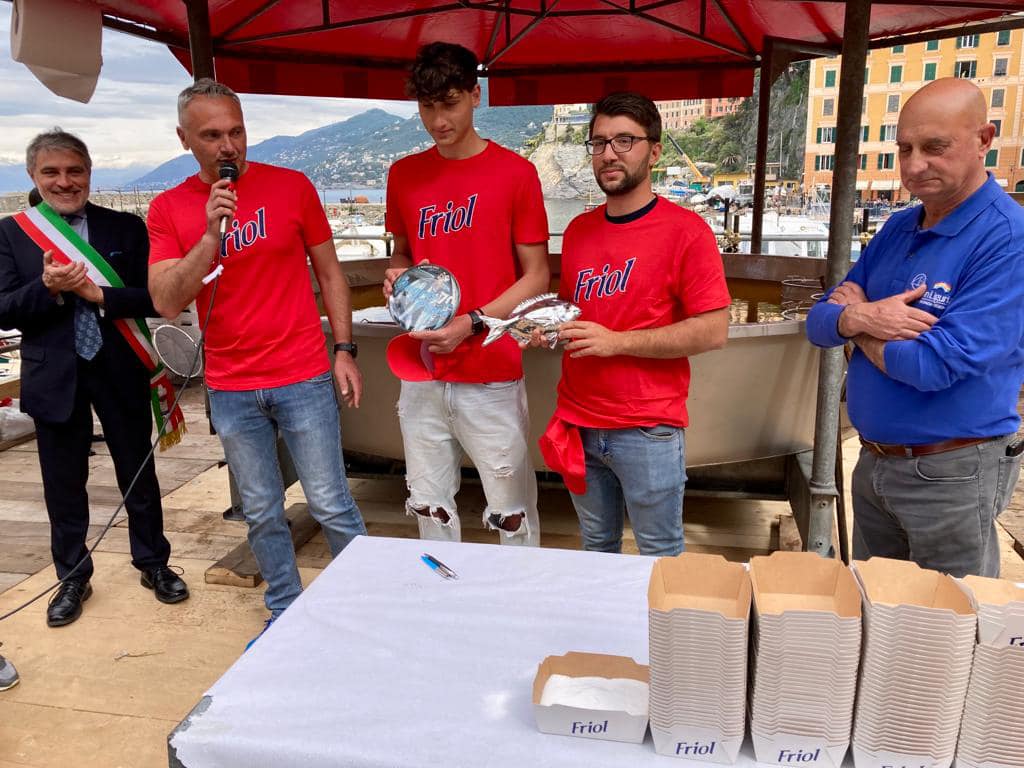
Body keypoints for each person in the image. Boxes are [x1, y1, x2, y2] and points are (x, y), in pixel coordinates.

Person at [147, 80, 367, 639]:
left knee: (331, 503)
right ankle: (286, 611)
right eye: (212, 135)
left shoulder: (292, 187)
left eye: (237, 131)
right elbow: (167, 299)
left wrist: (344, 349)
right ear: (184, 139)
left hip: (303, 375)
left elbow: (331, 276)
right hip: (232, 385)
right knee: (263, 512)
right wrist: (210, 232)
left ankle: (367, 604)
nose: (229, 146)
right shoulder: (169, 207)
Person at [806, 78, 1024, 578]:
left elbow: (932, 365)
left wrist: (857, 325)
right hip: (874, 463)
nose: (913, 165)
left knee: (948, 625)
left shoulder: (1007, 239)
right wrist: (861, 316)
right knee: (878, 616)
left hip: (953, 472)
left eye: (934, 148)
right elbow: (819, 323)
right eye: (904, 148)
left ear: (983, 140)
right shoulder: (898, 227)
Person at [0, 129, 188, 627]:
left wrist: (98, 295)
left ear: (88, 173)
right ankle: (72, 576)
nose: (64, 181)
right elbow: (3, 310)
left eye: (74, 171)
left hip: (120, 366)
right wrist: (47, 288)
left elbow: (156, 297)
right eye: (52, 173)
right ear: (33, 177)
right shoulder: (11, 232)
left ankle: (154, 563)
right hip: (53, 374)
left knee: (138, 471)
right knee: (63, 484)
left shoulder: (125, 228)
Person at [535, 93, 730, 556]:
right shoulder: (580, 230)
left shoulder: (687, 231)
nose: (609, 153)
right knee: (595, 548)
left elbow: (712, 330)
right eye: (599, 142)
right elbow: (577, 310)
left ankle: (657, 634)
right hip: (578, 419)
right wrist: (549, 327)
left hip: (648, 427)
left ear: (655, 151)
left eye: (625, 140)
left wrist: (617, 342)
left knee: (659, 553)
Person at [383, 42, 550, 545]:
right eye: (428, 107)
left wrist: (472, 322)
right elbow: (403, 255)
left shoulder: (516, 174)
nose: (438, 120)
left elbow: (537, 275)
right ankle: (440, 607)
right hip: (422, 371)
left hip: (492, 369)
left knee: (511, 512)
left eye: (450, 103)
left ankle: (516, 614)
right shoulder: (404, 175)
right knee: (429, 507)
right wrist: (397, 279)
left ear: (476, 96)